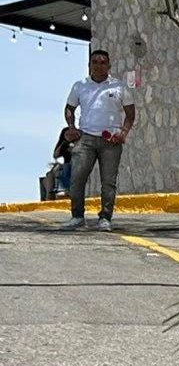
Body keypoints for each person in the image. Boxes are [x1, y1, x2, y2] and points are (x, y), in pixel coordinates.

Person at [62, 49, 136, 231]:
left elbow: (130, 114)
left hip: (111, 140)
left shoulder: (119, 87)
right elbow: (69, 108)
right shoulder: (80, 86)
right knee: (77, 177)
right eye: (95, 61)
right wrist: (71, 127)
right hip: (86, 138)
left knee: (108, 181)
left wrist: (123, 132)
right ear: (89, 65)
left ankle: (105, 218)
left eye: (103, 62)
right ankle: (77, 216)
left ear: (109, 66)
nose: (99, 65)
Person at [49, 126, 80, 195]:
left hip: (78, 162)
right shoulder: (64, 145)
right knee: (64, 170)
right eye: (67, 135)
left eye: (71, 135)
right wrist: (62, 144)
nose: (69, 136)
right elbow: (55, 155)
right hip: (67, 164)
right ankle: (69, 189)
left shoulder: (78, 142)